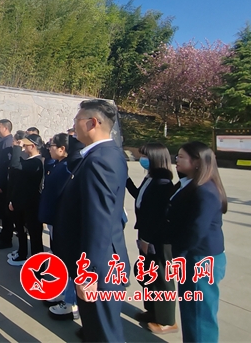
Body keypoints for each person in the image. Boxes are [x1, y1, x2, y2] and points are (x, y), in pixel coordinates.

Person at [52, 99, 130, 342]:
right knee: (96, 330)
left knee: (104, 333)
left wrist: (89, 272)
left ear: (92, 123)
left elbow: (99, 221)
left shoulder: (100, 160)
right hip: (98, 261)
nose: (73, 126)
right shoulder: (103, 153)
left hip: (99, 265)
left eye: (77, 121)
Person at [167, 141, 227, 343]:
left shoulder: (205, 191)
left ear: (197, 162)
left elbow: (196, 231)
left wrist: (179, 254)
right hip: (193, 256)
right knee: (191, 311)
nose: (176, 159)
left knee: (200, 314)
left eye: (181, 157)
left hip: (200, 258)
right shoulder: (191, 184)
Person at [127, 143, 177, 334]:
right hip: (146, 234)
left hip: (157, 239)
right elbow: (139, 197)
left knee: (162, 278)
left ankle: (167, 320)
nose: (142, 159)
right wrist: (126, 179)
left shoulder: (163, 184)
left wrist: (147, 239)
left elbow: (157, 216)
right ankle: (152, 310)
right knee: (149, 274)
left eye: (145, 156)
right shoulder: (151, 178)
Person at [37, 133, 78, 321]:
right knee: (60, 259)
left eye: (52, 146)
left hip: (62, 221)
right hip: (54, 220)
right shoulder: (57, 164)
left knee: (69, 262)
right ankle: (64, 293)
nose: (49, 148)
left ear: (62, 149)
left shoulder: (68, 168)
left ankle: (71, 303)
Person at [7, 133, 44, 266]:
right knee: (21, 230)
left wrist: (17, 148)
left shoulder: (37, 162)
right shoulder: (29, 160)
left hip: (32, 204)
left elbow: (15, 165)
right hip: (22, 202)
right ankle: (22, 254)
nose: (23, 147)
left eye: (25, 144)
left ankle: (38, 267)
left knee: (35, 237)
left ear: (32, 146)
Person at [0, 119, 14, 249]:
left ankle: (7, 239)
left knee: (6, 213)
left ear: (5, 128)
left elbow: (5, 165)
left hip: (4, 184)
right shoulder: (2, 141)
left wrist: (0, 183)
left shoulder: (8, 142)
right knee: (2, 211)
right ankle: (4, 233)